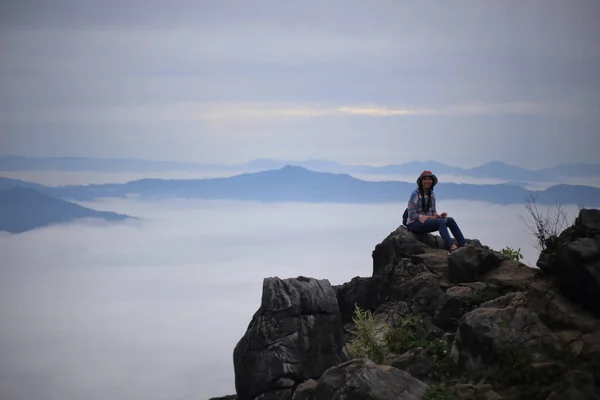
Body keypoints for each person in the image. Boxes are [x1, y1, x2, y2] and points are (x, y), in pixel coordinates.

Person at [405, 170, 466, 254]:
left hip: (425, 222)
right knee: (440, 222)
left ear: (432, 181)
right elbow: (411, 215)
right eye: (425, 179)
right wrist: (429, 218)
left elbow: (433, 212)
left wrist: (439, 216)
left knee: (449, 220)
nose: (427, 181)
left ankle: (463, 244)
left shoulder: (432, 194)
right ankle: (451, 247)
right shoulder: (415, 194)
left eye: (429, 179)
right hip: (414, 224)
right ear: (421, 181)